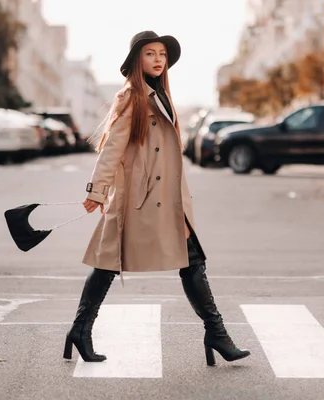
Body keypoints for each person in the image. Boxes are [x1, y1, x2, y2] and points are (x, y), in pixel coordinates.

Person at [62, 31, 250, 366]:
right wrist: (97, 190)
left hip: (168, 197)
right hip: (141, 197)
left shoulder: (160, 94)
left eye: (162, 54)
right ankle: (80, 329)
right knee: (107, 263)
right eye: (149, 54)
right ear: (137, 60)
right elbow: (111, 150)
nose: (158, 60)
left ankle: (216, 333)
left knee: (192, 259)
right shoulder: (132, 97)